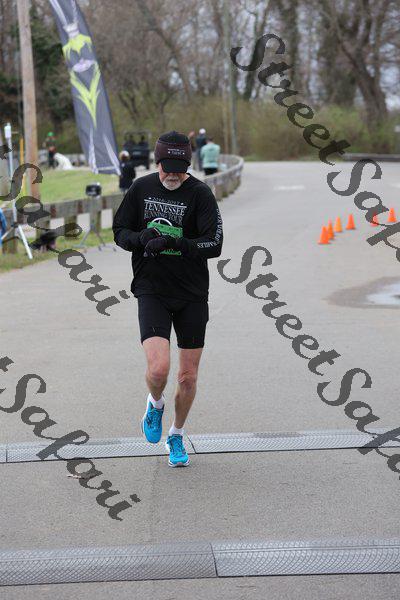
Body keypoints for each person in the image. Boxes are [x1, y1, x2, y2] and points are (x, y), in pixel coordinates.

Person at [112, 130, 223, 467]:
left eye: (180, 169)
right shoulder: (141, 188)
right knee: (159, 369)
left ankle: (176, 434)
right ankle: (155, 404)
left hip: (192, 293)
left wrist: (176, 243)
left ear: (188, 165)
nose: (173, 175)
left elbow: (214, 243)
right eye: (167, 168)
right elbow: (120, 231)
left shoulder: (200, 194)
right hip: (152, 289)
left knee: (187, 378)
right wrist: (140, 239)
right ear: (157, 162)